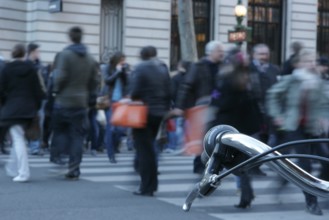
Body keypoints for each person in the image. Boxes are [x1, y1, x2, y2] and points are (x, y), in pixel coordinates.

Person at [267, 50, 328, 215]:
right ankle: (311, 202)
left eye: (313, 60)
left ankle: (286, 179)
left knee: (326, 160)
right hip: (294, 126)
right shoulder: (292, 79)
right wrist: (277, 115)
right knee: (305, 165)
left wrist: (324, 118)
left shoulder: (318, 81)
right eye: (308, 61)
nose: (312, 64)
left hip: (313, 127)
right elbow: (273, 95)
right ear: (300, 63)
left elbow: (325, 103)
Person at [50, 26, 99, 180]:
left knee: (60, 130)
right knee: (77, 136)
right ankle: (75, 168)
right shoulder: (90, 58)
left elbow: (61, 77)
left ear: (70, 37)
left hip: (64, 100)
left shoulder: (65, 55)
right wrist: (90, 96)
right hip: (81, 102)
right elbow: (95, 81)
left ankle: (58, 156)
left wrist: (56, 90)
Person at [172, 41, 225, 174]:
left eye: (222, 51)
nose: (221, 53)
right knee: (204, 138)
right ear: (210, 52)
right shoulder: (198, 66)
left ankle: (214, 164)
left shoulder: (224, 66)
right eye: (219, 50)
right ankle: (200, 164)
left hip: (220, 107)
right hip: (203, 107)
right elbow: (186, 86)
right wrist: (180, 106)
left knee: (218, 138)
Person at [130, 46, 171, 196]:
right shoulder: (162, 67)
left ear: (142, 55)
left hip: (144, 112)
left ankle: (147, 186)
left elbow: (135, 91)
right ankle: (151, 185)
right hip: (159, 113)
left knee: (144, 151)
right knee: (151, 149)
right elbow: (169, 91)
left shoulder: (140, 68)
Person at [0, 44, 45, 182]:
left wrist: (5, 105)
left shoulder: (6, 69)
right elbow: (38, 91)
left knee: (18, 139)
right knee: (20, 140)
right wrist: (35, 107)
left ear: (12, 55)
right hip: (29, 108)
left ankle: (23, 172)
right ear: (24, 55)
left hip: (12, 109)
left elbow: (1, 90)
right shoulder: (31, 69)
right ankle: (14, 168)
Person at [103, 52, 130, 163]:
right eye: (121, 60)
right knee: (111, 128)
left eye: (124, 60)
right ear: (116, 60)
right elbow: (107, 81)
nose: (123, 62)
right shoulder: (108, 68)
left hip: (121, 102)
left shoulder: (124, 69)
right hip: (110, 101)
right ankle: (111, 154)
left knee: (121, 129)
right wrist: (117, 72)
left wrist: (124, 72)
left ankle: (114, 147)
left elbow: (128, 83)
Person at [26, 43, 48, 156]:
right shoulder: (27, 65)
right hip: (29, 99)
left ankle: (35, 146)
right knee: (33, 123)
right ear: (32, 52)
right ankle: (32, 144)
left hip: (39, 99)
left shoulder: (39, 66)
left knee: (38, 122)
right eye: (38, 51)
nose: (39, 54)